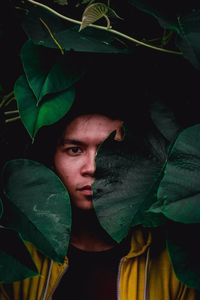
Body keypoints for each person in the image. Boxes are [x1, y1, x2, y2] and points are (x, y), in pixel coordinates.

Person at [0, 58, 198, 299]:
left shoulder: (173, 262)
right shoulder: (20, 255)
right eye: (75, 150)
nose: (93, 167)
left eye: (111, 149)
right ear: (51, 160)